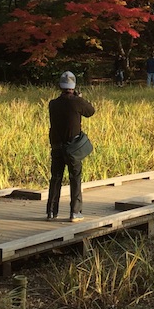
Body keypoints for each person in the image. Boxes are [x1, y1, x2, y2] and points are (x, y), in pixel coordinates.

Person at [47, 71, 95, 222]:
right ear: (73, 86)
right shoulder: (76, 102)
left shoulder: (52, 104)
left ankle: (51, 212)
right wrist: (80, 98)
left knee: (55, 178)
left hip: (56, 146)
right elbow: (90, 111)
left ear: (60, 86)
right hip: (73, 147)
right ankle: (75, 212)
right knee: (75, 178)